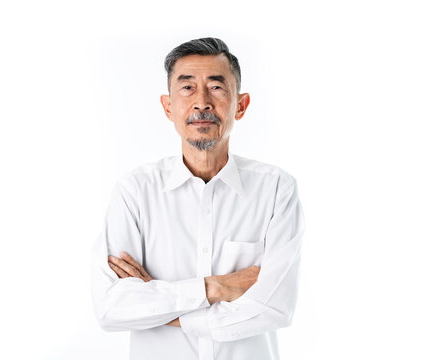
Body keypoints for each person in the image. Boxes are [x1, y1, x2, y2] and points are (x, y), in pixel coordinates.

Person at [91, 37, 305, 360]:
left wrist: (161, 303)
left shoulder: (277, 191)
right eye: (187, 88)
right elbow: (111, 307)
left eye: (217, 88)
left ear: (241, 105)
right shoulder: (134, 193)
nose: (202, 102)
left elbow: (275, 306)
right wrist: (214, 288)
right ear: (168, 106)